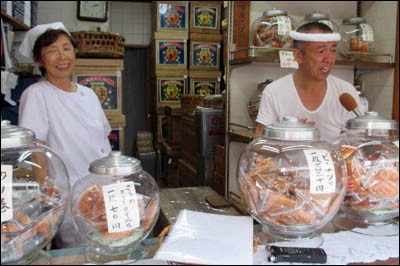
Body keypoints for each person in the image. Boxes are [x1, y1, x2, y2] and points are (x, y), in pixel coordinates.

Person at [18, 22, 112, 248]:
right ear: (40, 61)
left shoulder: (88, 94)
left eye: (67, 48)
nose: (62, 56)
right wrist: (49, 198)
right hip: (71, 195)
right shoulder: (37, 94)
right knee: (81, 254)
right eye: (52, 51)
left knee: (113, 248)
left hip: (106, 189)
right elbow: (35, 149)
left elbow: (103, 141)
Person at [255, 22, 361, 140]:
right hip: (287, 158)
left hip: (334, 158)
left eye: (333, 50)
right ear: (298, 56)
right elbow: (259, 144)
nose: (329, 59)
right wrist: (284, 135)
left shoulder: (345, 91)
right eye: (321, 51)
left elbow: (357, 143)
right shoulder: (274, 92)